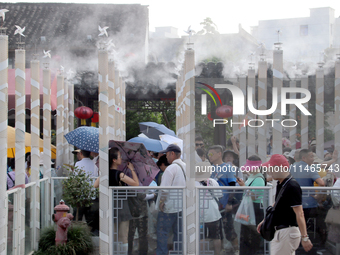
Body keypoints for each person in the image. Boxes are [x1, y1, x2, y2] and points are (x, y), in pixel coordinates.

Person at [257, 154, 313, 254]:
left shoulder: (292, 185)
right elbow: (278, 204)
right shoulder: (282, 183)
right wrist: (266, 220)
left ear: (280, 168)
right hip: (282, 233)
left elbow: (299, 213)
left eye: (271, 168)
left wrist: (305, 237)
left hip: (287, 232)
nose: (269, 172)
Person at [107, 147, 139, 253]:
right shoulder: (119, 174)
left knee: (113, 235)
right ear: (114, 160)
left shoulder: (105, 174)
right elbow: (136, 184)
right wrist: (132, 169)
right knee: (123, 236)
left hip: (110, 206)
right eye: (120, 157)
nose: (121, 159)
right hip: (122, 207)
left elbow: (95, 185)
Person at [156, 144, 186, 255]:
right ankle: (178, 252)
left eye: (167, 154)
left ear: (172, 153)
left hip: (169, 207)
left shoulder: (171, 169)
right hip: (182, 207)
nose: (166, 156)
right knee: (179, 234)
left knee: (162, 233)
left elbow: (164, 189)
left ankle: (162, 253)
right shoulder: (186, 167)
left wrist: (161, 202)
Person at [208, 145, 238, 253]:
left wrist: (229, 202)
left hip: (225, 204)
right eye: (208, 154)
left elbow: (232, 186)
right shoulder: (210, 168)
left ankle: (236, 250)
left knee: (229, 230)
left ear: (219, 154)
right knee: (216, 231)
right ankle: (220, 251)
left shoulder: (227, 167)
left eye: (211, 154)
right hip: (213, 205)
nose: (209, 156)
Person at [236, 155, 265, 255]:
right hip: (249, 208)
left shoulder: (259, 179)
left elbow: (255, 196)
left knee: (252, 237)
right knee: (245, 236)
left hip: (255, 209)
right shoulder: (252, 176)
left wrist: (243, 186)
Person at [195, 164, 223, 255]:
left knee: (201, 236)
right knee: (216, 236)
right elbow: (219, 195)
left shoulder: (193, 183)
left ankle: (202, 253)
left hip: (199, 214)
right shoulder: (213, 181)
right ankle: (217, 253)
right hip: (213, 213)